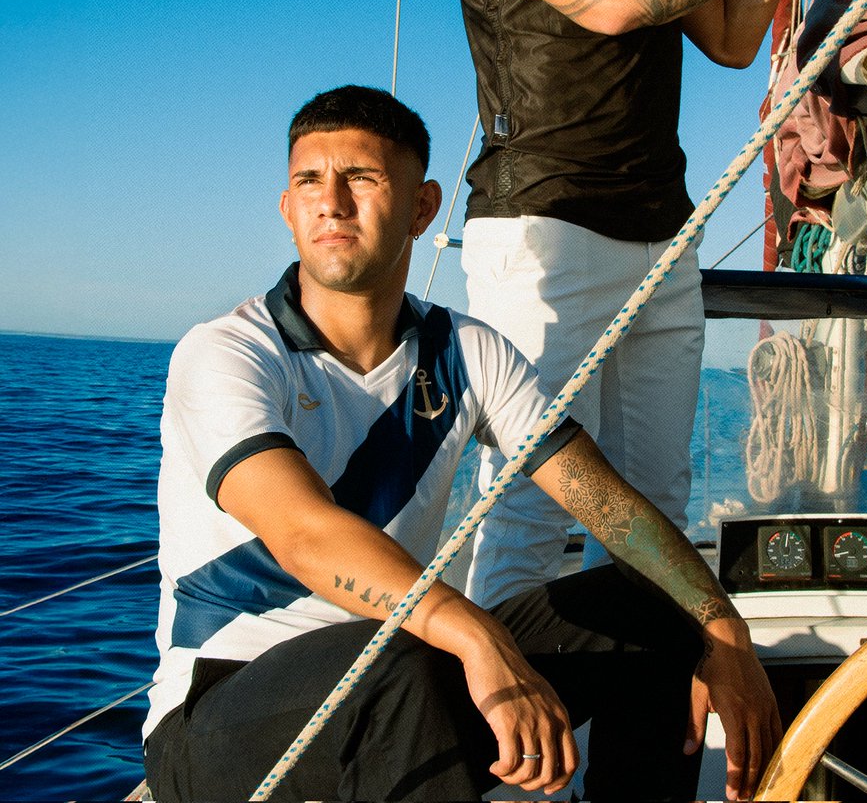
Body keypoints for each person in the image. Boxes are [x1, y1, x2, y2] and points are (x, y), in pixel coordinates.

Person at [143, 84, 780, 803]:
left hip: (402, 660)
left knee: (647, 606)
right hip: (219, 713)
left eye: (362, 178)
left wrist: (723, 628)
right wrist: (476, 637)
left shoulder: (465, 352)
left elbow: (603, 504)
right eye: (309, 182)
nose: (332, 202)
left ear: (422, 208)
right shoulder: (230, 353)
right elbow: (303, 534)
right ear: (288, 209)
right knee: (398, 671)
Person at [435, 0, 842, 607]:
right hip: (542, 227)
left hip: (660, 236)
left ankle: (632, 757)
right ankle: (515, 766)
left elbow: (734, 36)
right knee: (529, 515)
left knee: (652, 512)